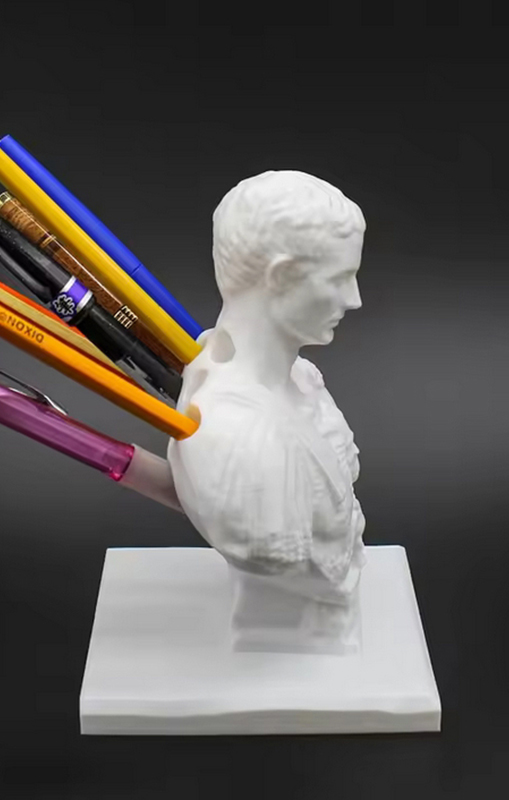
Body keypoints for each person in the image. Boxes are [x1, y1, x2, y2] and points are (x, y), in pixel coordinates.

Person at [168, 170, 367, 652]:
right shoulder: (239, 435)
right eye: (339, 279)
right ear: (280, 277)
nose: (355, 300)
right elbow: (274, 548)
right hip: (301, 619)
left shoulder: (301, 380)